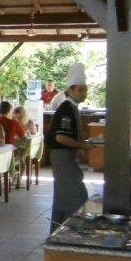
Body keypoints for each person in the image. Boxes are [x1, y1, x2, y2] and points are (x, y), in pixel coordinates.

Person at [47, 62, 91, 230]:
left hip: (67, 156)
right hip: (62, 157)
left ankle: (57, 231)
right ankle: (68, 231)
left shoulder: (72, 108)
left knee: (63, 197)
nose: (84, 93)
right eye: (81, 90)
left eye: (85, 89)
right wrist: (82, 146)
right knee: (77, 196)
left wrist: (78, 148)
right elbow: (61, 137)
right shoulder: (66, 108)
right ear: (71, 90)